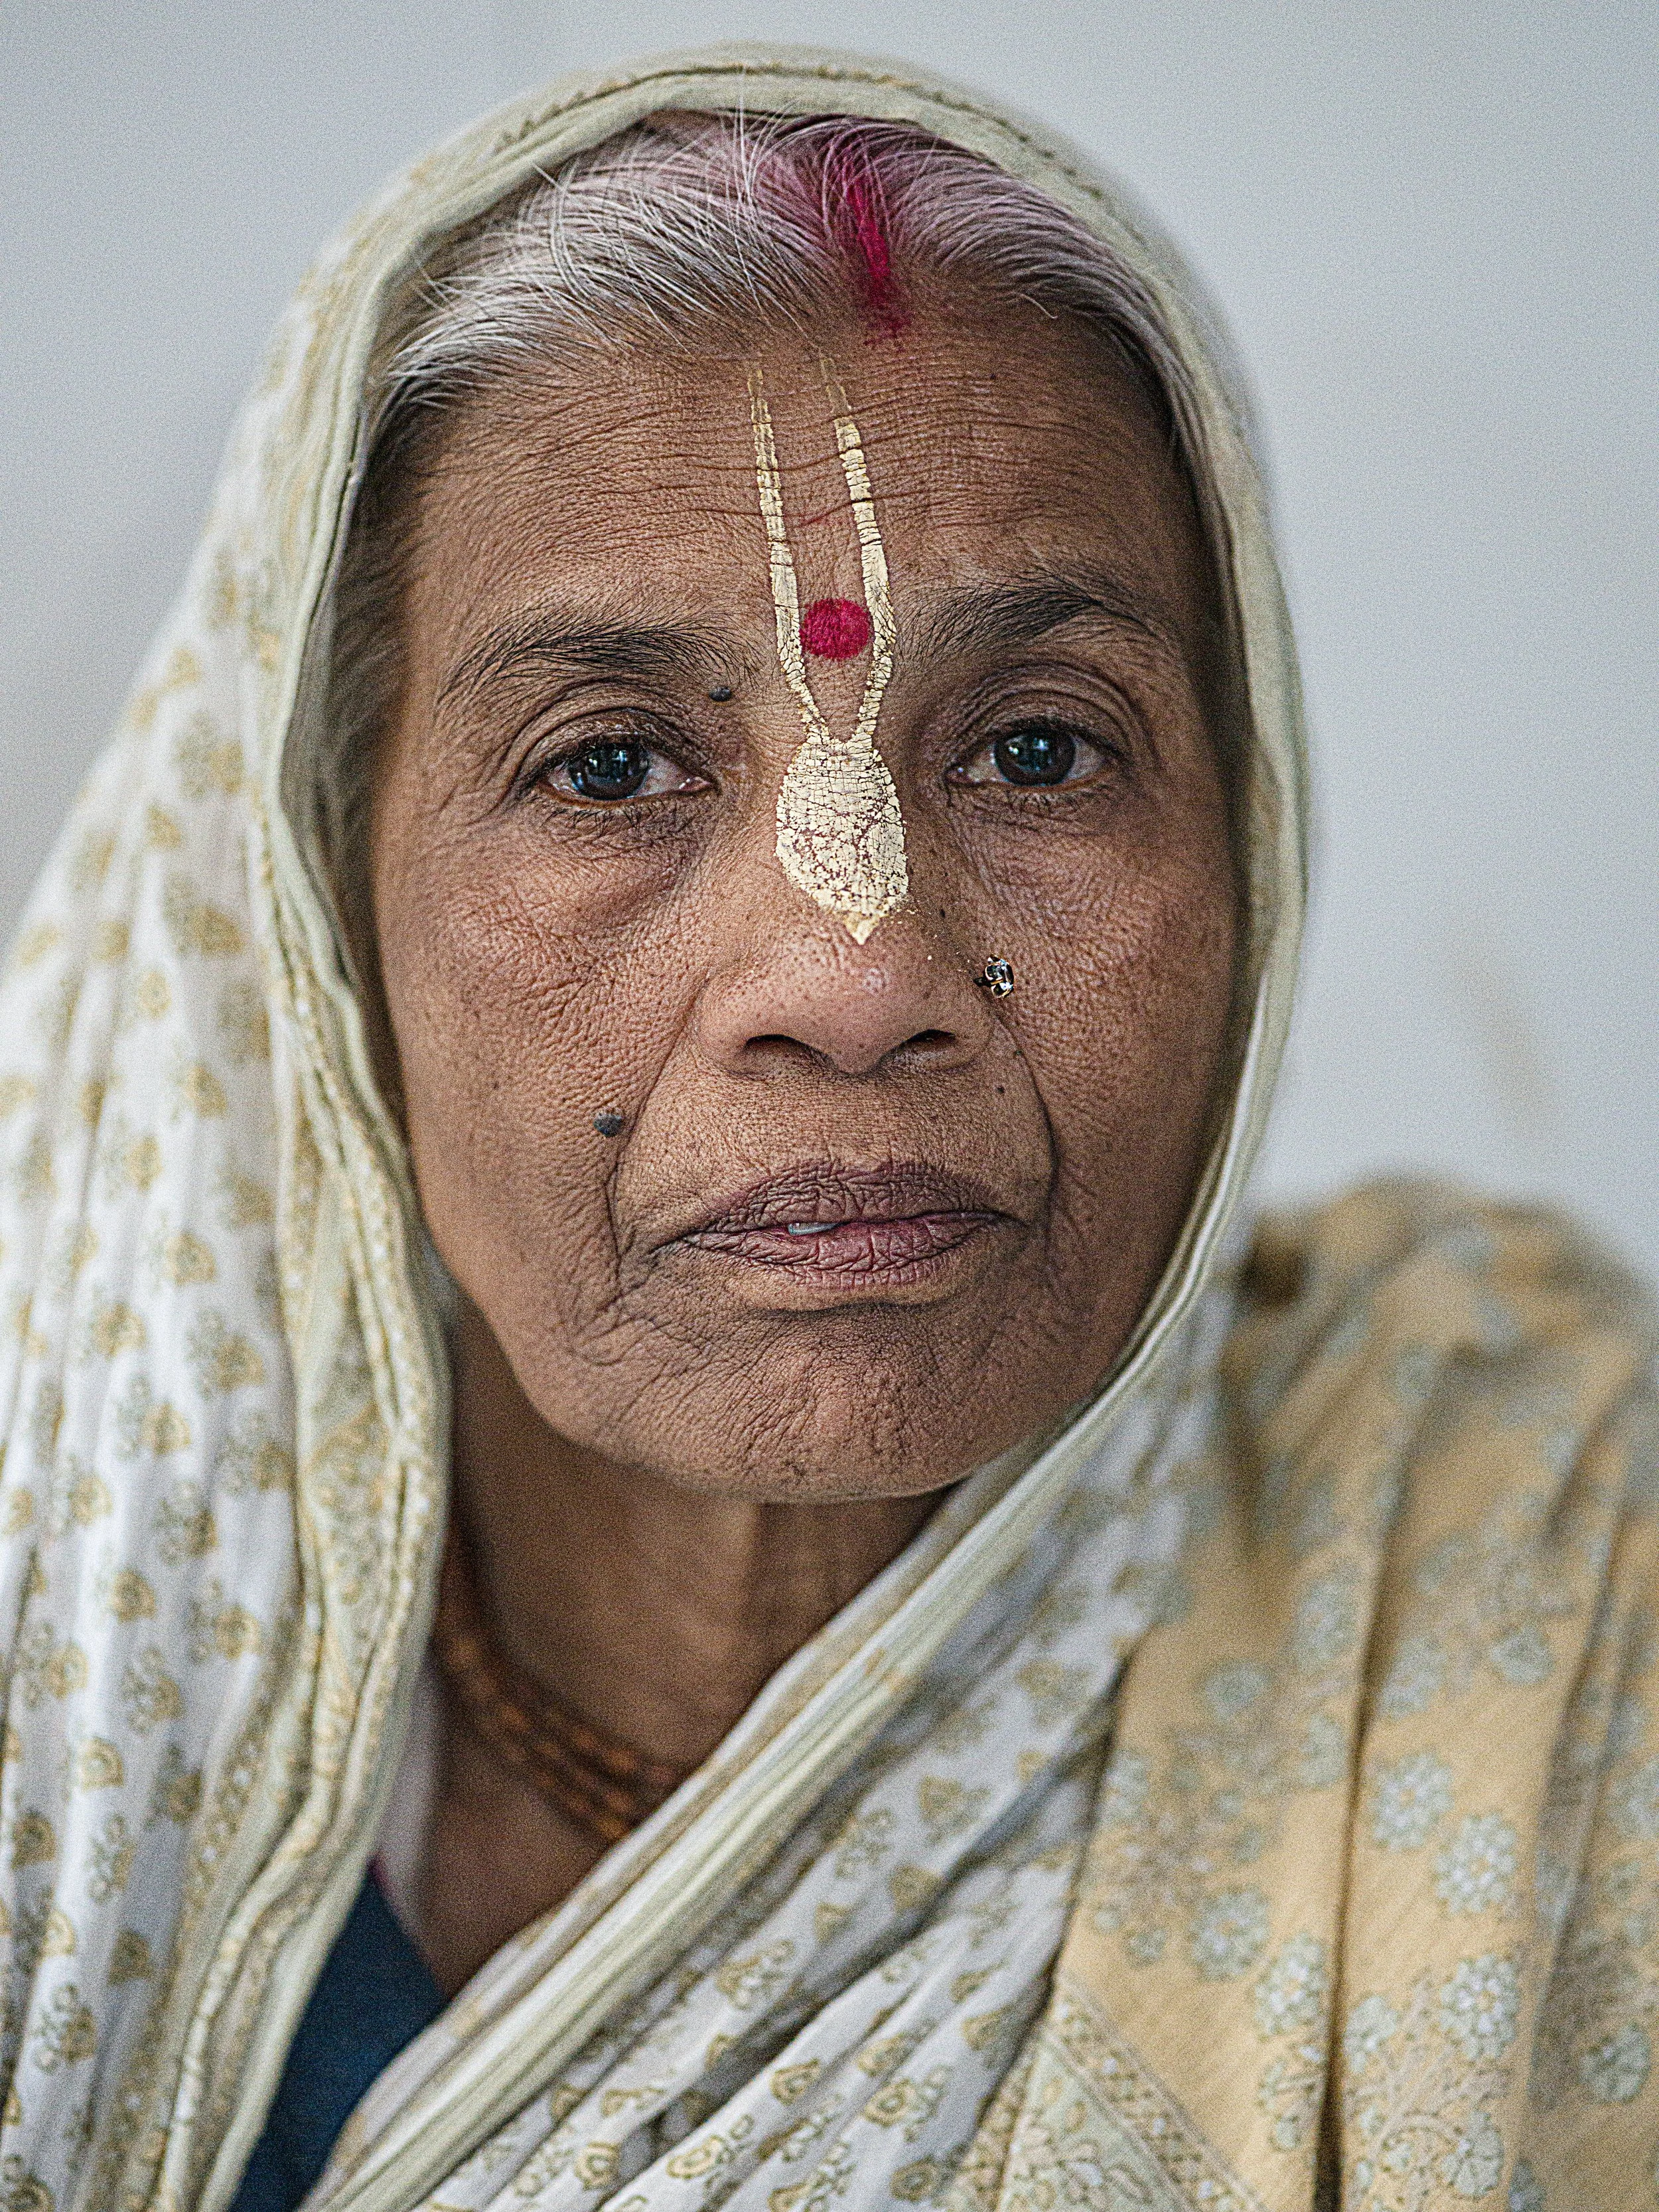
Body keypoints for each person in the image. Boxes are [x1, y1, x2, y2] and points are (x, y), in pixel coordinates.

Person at [0, 46, 1651, 2212]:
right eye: (607, 765)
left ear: (1248, 843)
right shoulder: (60, 1651)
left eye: (1040, 749)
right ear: (315, 902)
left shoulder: (1549, 1594)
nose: (858, 975)